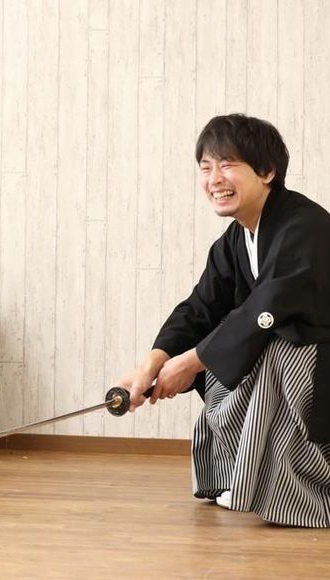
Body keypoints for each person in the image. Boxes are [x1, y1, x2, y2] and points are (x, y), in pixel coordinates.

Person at [118, 113, 330, 528]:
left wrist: (191, 362)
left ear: (267, 172)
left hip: (316, 359)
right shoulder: (236, 239)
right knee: (223, 355)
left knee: (275, 354)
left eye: (228, 164)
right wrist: (152, 365)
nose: (215, 179)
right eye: (206, 167)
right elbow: (200, 308)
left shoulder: (304, 225)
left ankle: (303, 493)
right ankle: (242, 477)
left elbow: (265, 310)